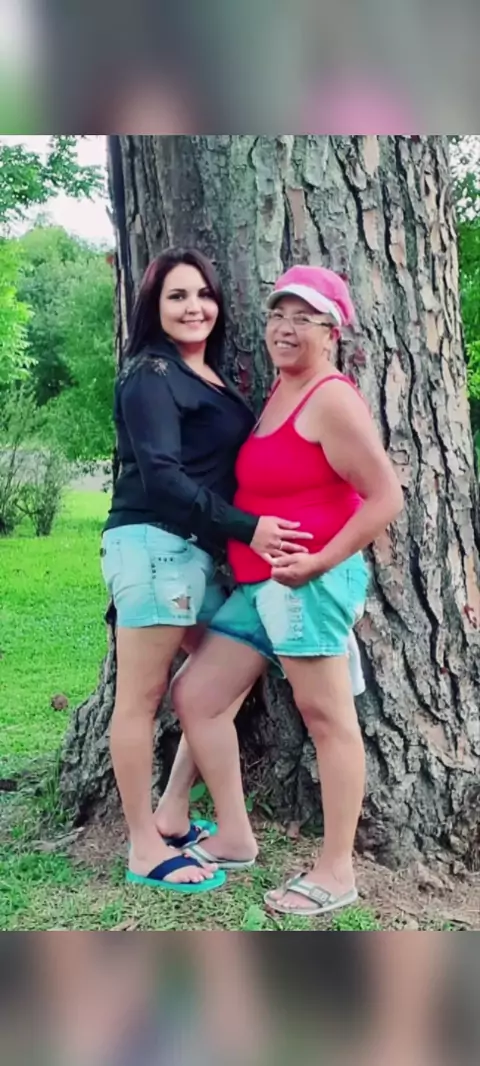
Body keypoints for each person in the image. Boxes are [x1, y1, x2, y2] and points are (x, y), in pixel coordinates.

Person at [165, 264, 403, 916]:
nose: (285, 328)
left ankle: (336, 872)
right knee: (198, 695)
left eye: (304, 318)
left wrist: (319, 562)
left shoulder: (330, 398)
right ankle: (234, 837)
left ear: (332, 331)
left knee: (327, 719)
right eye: (278, 314)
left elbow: (386, 497)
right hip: (260, 583)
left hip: (308, 583)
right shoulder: (281, 390)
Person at [100, 247, 314, 893]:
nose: (193, 307)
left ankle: (173, 811)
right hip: (155, 547)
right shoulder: (151, 374)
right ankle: (144, 846)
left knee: (218, 681)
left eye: (203, 294)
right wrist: (250, 528)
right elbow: (162, 479)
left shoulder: (208, 377)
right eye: (176, 296)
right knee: (140, 700)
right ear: (153, 307)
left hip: (196, 557)